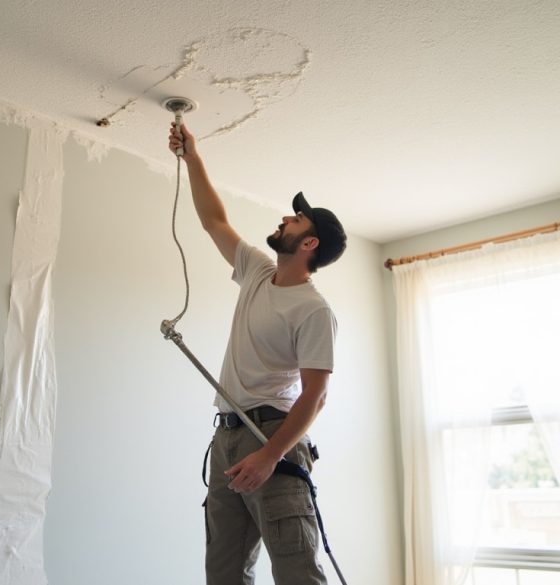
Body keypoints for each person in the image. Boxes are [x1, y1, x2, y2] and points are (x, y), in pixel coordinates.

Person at [168, 122, 347, 585]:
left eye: (296, 221)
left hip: (270, 434)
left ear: (309, 244)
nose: (285, 220)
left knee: (296, 570)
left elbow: (315, 397)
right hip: (227, 433)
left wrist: (270, 455)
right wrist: (192, 156)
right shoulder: (256, 270)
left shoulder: (313, 311)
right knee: (224, 572)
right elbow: (213, 221)